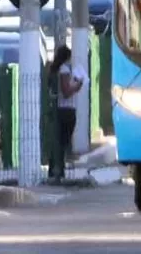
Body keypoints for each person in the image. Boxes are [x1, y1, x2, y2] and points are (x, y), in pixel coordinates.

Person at [49, 45, 84, 181]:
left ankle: (56, 170)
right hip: (67, 109)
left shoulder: (55, 69)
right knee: (63, 142)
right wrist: (78, 85)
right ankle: (58, 170)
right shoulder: (64, 69)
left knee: (59, 141)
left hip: (60, 109)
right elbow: (66, 92)